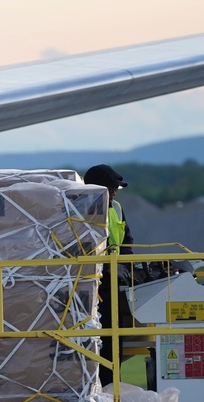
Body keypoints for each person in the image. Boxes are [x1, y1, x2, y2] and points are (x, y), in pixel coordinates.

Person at [84, 164, 134, 388]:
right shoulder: (82, 211)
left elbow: (127, 242)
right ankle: (99, 390)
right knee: (96, 341)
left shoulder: (117, 209)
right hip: (89, 287)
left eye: (116, 189)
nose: (114, 192)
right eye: (110, 188)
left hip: (114, 285)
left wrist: (127, 267)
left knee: (114, 341)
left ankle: (111, 390)